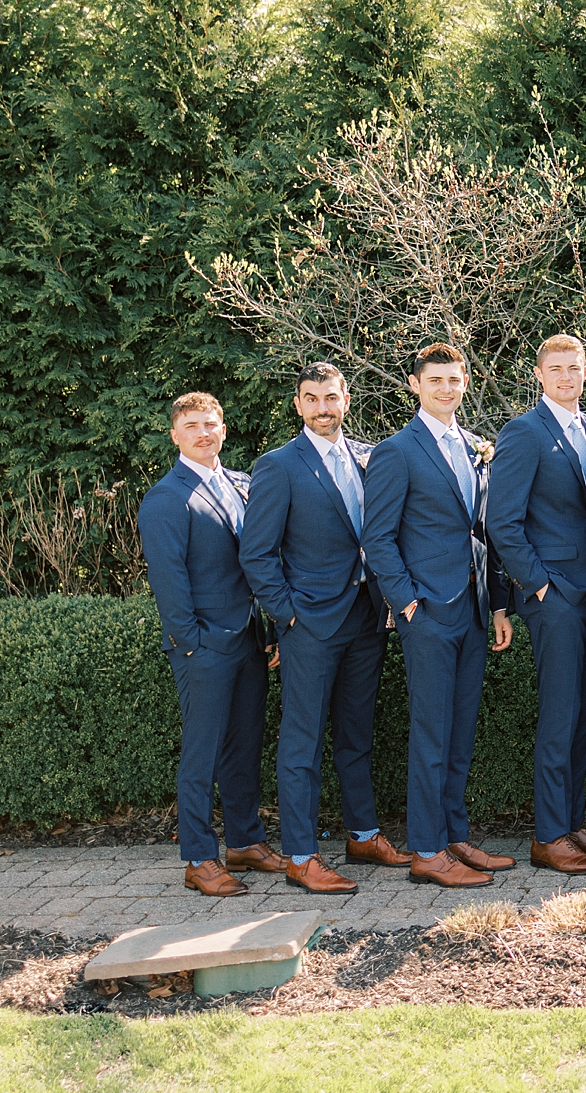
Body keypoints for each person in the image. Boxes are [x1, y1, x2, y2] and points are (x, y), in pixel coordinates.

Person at [241, 364, 410, 895]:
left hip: (366, 616)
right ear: (297, 405)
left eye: (331, 398)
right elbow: (257, 552)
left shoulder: (367, 458)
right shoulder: (278, 466)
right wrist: (287, 613)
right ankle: (300, 855)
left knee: (357, 735)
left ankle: (362, 834)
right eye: (311, 399)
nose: (322, 408)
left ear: (346, 400)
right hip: (310, 622)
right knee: (302, 740)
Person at [361, 343, 515, 889]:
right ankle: (427, 850)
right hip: (426, 610)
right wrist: (406, 602)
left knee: (460, 730)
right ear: (414, 385)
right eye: (435, 381)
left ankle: (454, 835)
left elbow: (483, 533)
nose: (446, 389)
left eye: (454, 380)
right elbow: (376, 537)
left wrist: (497, 602)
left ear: (466, 383)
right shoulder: (396, 451)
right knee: (432, 730)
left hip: (472, 609)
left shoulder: (475, 448)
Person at [488, 334, 586, 875]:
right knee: (560, 712)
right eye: (556, 369)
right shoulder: (524, 432)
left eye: (575, 368)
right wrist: (537, 586)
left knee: (585, 714)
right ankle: (548, 836)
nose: (567, 377)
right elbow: (502, 520)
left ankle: (572, 823)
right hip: (556, 596)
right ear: (539, 376)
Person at [139, 392, 276, 896]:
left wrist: (269, 632)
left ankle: (244, 841)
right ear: (175, 435)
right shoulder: (165, 498)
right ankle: (199, 857)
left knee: (244, 746)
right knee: (203, 752)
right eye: (192, 425)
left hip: (248, 641)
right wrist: (192, 644)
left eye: (211, 423)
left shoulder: (240, 485)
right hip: (203, 647)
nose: (204, 432)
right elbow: (169, 582)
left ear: (224, 428)